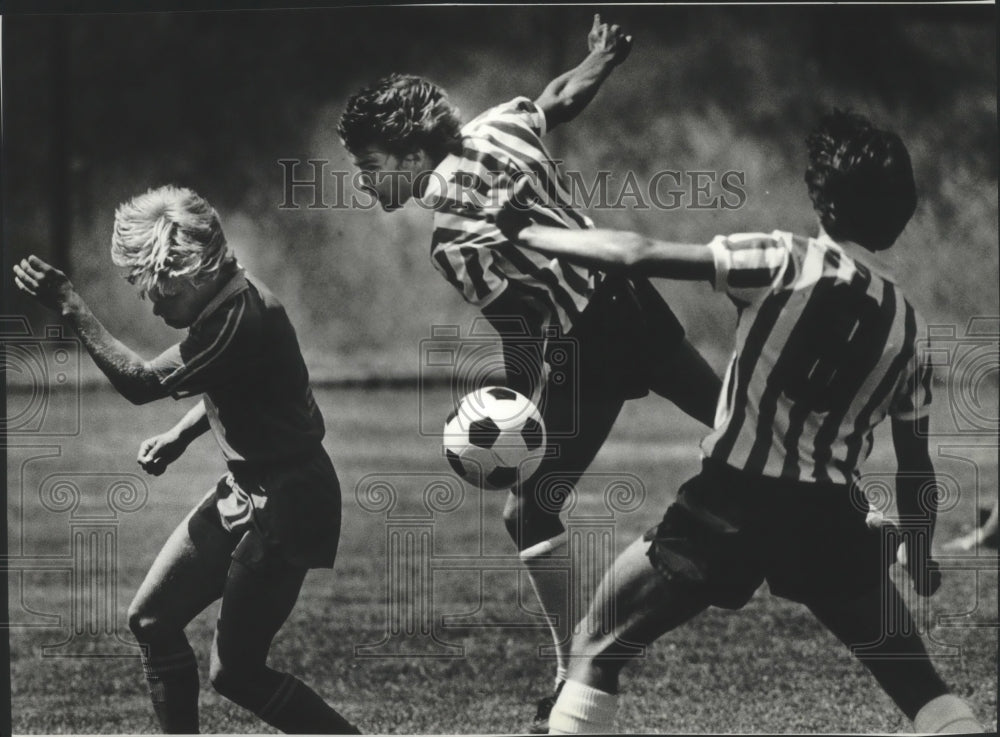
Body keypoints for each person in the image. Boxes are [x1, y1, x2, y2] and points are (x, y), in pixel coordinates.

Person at [494, 110, 984, 733]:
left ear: (821, 202)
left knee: (595, 647)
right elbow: (916, 469)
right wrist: (918, 552)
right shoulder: (910, 332)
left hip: (728, 504)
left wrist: (528, 232)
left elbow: (635, 253)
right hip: (830, 516)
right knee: (922, 689)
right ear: (904, 213)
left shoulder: (783, 260)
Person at [337, 15, 721, 731]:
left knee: (528, 508)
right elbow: (559, 97)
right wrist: (602, 57)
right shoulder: (496, 127)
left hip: (590, 336)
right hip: (632, 296)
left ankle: (570, 668)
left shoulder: (452, 236)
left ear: (407, 148)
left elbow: (523, 329)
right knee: (735, 418)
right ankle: (861, 504)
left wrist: (514, 407)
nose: (364, 184)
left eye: (368, 166)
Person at [13, 186, 360, 734]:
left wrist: (70, 306)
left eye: (158, 293)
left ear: (192, 272)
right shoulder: (225, 304)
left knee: (237, 675)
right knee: (151, 619)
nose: (152, 306)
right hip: (247, 486)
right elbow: (230, 383)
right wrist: (179, 434)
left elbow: (141, 383)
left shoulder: (238, 319)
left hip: (290, 501)